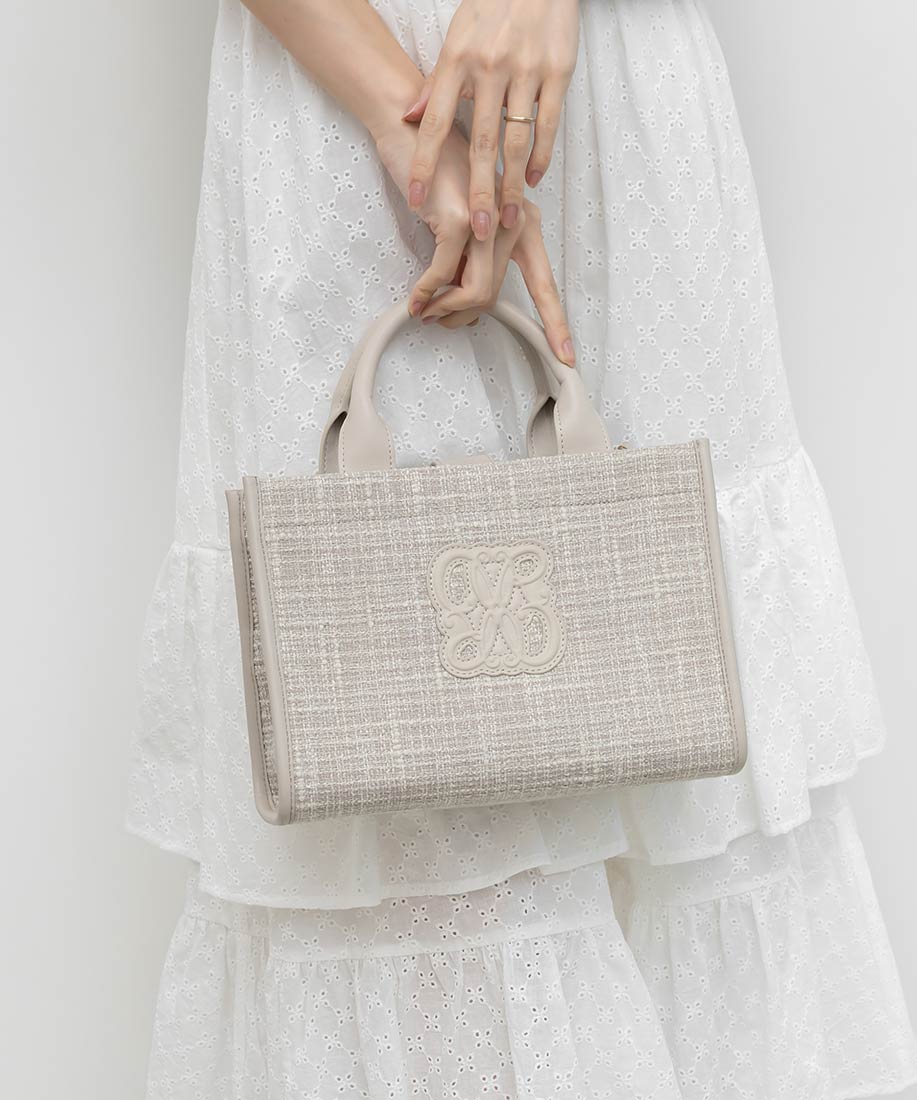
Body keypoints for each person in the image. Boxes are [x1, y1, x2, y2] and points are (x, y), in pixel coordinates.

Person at [127, 1, 917, 1096]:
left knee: (698, 774)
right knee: (406, 812)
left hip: (604, 88)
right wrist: (403, 121)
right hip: (337, 108)